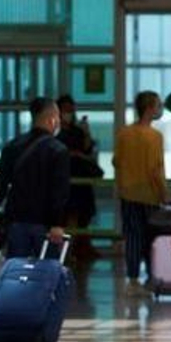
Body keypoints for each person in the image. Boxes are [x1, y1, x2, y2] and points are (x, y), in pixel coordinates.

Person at [0, 97, 71, 259]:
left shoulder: (12, 146)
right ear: (52, 119)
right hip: (45, 224)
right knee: (45, 274)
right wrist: (58, 223)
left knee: (18, 273)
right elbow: (59, 191)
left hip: (16, 222)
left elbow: (0, 185)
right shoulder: (58, 150)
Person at [113, 91, 169, 296]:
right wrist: (164, 194)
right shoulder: (154, 137)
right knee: (149, 238)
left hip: (127, 193)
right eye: (157, 105)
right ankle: (150, 278)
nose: (159, 109)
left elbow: (116, 162)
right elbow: (155, 169)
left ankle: (133, 279)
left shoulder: (124, 133)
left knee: (132, 237)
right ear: (149, 108)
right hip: (149, 194)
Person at [57, 94, 102, 238]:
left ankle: (79, 248)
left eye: (71, 110)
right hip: (64, 179)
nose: (68, 114)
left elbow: (88, 150)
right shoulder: (54, 133)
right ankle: (69, 250)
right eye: (65, 110)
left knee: (82, 215)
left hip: (80, 178)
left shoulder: (77, 131)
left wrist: (86, 132)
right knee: (68, 216)